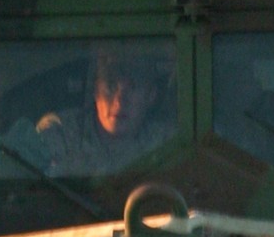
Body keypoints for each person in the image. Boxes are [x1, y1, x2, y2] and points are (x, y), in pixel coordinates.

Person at [28, 43, 175, 175]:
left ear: (151, 96)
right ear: (96, 91)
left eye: (132, 88)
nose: (120, 101)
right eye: (111, 86)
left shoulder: (167, 142)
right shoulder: (60, 132)